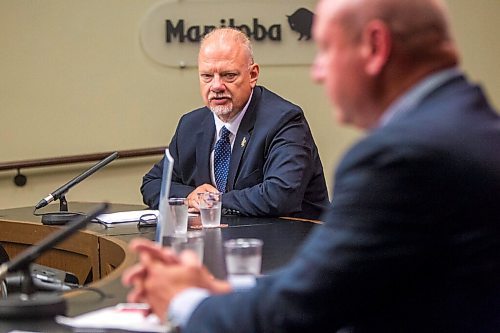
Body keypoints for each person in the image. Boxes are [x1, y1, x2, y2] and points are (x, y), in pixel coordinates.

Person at [123, 0, 500, 331]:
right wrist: (222, 291)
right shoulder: (476, 124)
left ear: (375, 46)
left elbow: (300, 309)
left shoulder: (400, 158)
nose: (318, 72)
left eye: (325, 50)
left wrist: (186, 300)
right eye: (207, 75)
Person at [141, 28, 328, 220]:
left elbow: (280, 195)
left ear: (253, 75)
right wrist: (189, 197)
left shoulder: (284, 120)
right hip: (220, 239)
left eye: (228, 75)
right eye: (207, 76)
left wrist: (214, 201)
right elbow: (153, 183)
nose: (216, 86)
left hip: (290, 241)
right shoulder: (190, 124)